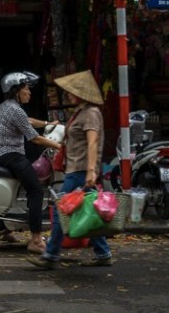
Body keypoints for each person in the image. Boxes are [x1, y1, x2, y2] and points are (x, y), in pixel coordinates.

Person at [29, 70, 110, 269]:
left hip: (81, 171)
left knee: (61, 211)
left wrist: (91, 171)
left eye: (72, 91)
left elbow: (92, 143)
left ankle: (50, 255)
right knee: (88, 212)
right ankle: (103, 253)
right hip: (77, 170)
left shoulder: (90, 114)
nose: (68, 94)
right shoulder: (81, 112)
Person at [0, 71, 62, 253]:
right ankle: (36, 239)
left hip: (1, 154)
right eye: (26, 88)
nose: (29, 92)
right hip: (11, 155)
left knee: (16, 190)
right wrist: (59, 146)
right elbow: (35, 139)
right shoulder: (15, 110)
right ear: (16, 91)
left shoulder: (8, 106)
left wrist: (47, 123)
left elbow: (27, 121)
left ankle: (6, 230)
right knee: (36, 191)